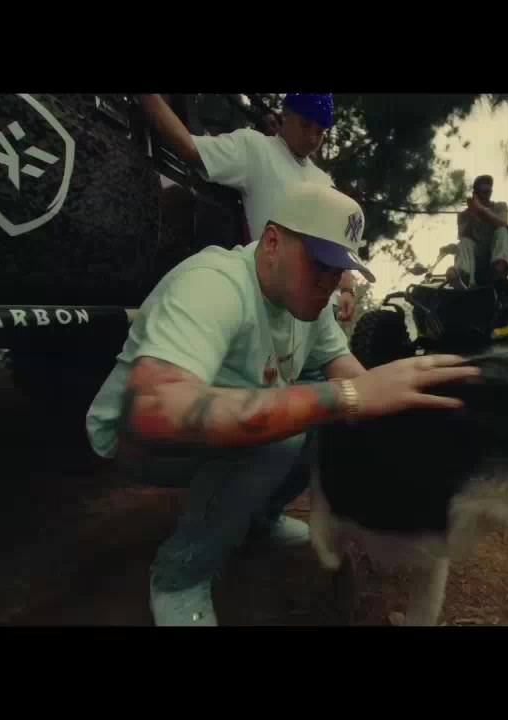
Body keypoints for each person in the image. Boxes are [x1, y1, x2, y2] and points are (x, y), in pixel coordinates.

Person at [84, 181, 480, 626]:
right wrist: (345, 397)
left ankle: (258, 519)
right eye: (319, 264)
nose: (329, 282)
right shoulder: (214, 283)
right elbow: (152, 407)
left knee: (318, 413)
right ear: (272, 242)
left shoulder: (309, 302)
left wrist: (408, 425)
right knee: (291, 428)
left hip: (212, 423)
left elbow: (348, 374)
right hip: (135, 440)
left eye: (337, 270)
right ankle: (180, 574)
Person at [137, 92, 357, 323]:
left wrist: (346, 289)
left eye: (320, 132)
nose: (312, 138)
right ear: (286, 114)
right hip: (264, 304)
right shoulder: (255, 148)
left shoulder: (324, 182)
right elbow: (190, 148)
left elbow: (338, 244)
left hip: (313, 310)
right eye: (306, 125)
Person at [445, 175, 508, 288]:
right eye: (484, 192)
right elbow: (462, 236)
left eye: (489, 191)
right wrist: (471, 214)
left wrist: (482, 209)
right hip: (476, 257)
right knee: (465, 242)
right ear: (475, 194)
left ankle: (499, 268)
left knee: (502, 231)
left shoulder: (500, 206)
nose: (487, 195)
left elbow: (503, 223)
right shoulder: (464, 215)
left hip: (495, 253)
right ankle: (464, 276)